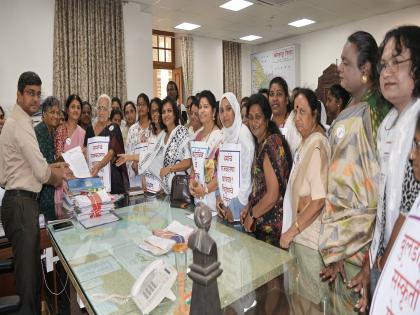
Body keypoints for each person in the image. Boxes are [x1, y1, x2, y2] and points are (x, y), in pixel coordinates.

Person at [318, 31, 390, 314]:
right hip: (339, 238)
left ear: (366, 69)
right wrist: (335, 247)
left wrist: (368, 258)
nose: (340, 68)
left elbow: (378, 190)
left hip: (361, 243)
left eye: (346, 63)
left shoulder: (376, 112)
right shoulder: (352, 105)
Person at [0, 71, 68, 314]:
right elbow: (40, 173)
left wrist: (51, 167)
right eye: (30, 93)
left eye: (38, 94)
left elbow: (10, 173)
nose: (35, 99)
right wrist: (57, 175)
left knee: (29, 279)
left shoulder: (13, 123)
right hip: (21, 205)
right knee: (29, 286)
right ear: (18, 94)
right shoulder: (21, 125)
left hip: (16, 202)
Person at [365, 25, 420, 310]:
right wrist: (373, 257)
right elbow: (382, 200)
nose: (387, 72)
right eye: (383, 64)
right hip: (384, 254)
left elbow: (410, 207)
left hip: (407, 264)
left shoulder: (417, 121)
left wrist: (386, 261)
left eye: (397, 62)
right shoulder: (387, 124)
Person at [280, 88, 330, 310]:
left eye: (303, 112)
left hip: (309, 242)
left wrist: (291, 231)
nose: (297, 118)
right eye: (295, 111)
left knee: (310, 307)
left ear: (315, 115)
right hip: (300, 239)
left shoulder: (317, 145)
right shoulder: (305, 143)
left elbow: (318, 201)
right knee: (299, 306)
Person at [240, 93, 292, 246]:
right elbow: (260, 187)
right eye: (250, 117)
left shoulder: (271, 143)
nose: (254, 122)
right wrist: (250, 205)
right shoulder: (261, 143)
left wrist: (252, 214)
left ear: (267, 118)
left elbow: (272, 194)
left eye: (258, 117)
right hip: (264, 225)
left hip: (272, 230)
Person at [116, 98, 191, 194]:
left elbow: (188, 161)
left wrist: (170, 168)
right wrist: (128, 157)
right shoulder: (162, 135)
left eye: (169, 111)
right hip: (168, 192)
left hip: (181, 190)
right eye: (163, 112)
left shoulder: (181, 131)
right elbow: (149, 156)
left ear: (175, 113)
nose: (166, 115)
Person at [215, 92, 255, 225]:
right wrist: (221, 197)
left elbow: (247, 179)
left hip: (240, 208)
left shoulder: (243, 135)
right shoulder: (224, 135)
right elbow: (221, 172)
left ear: (235, 110)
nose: (224, 114)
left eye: (228, 109)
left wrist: (234, 206)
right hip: (227, 205)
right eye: (221, 110)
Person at [84, 94, 128, 194]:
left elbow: (111, 152)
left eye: (105, 108)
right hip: (94, 176)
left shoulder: (114, 128)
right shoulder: (90, 129)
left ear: (110, 111)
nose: (101, 112)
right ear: (96, 110)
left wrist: (99, 166)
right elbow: (85, 150)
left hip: (113, 179)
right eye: (99, 108)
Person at [189, 90, 223, 211]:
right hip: (198, 198)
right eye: (200, 107)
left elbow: (221, 173)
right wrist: (191, 183)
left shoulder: (220, 137)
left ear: (213, 111)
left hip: (212, 199)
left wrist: (205, 189)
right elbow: (194, 166)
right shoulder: (197, 136)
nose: (202, 110)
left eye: (206, 107)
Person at [55, 94, 86, 204]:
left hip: (79, 184)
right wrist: (62, 181)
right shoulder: (60, 130)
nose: (76, 110)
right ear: (67, 110)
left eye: (78, 107)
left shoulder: (83, 133)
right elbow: (58, 159)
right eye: (73, 107)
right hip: (62, 183)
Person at [34, 96, 61, 221]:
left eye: (58, 112)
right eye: (52, 112)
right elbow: (43, 166)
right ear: (44, 114)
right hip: (41, 192)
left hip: (51, 190)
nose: (56, 116)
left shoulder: (53, 132)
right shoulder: (39, 132)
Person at [125, 93, 154, 189]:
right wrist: (134, 166)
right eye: (139, 105)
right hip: (136, 178)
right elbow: (128, 153)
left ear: (148, 108)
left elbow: (155, 153)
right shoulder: (132, 129)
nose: (141, 107)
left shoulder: (154, 127)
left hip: (152, 177)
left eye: (144, 105)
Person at [268, 77, 301, 156]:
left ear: (286, 99)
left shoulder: (295, 122)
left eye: (279, 94)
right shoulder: (267, 122)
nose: (275, 98)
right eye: (272, 94)